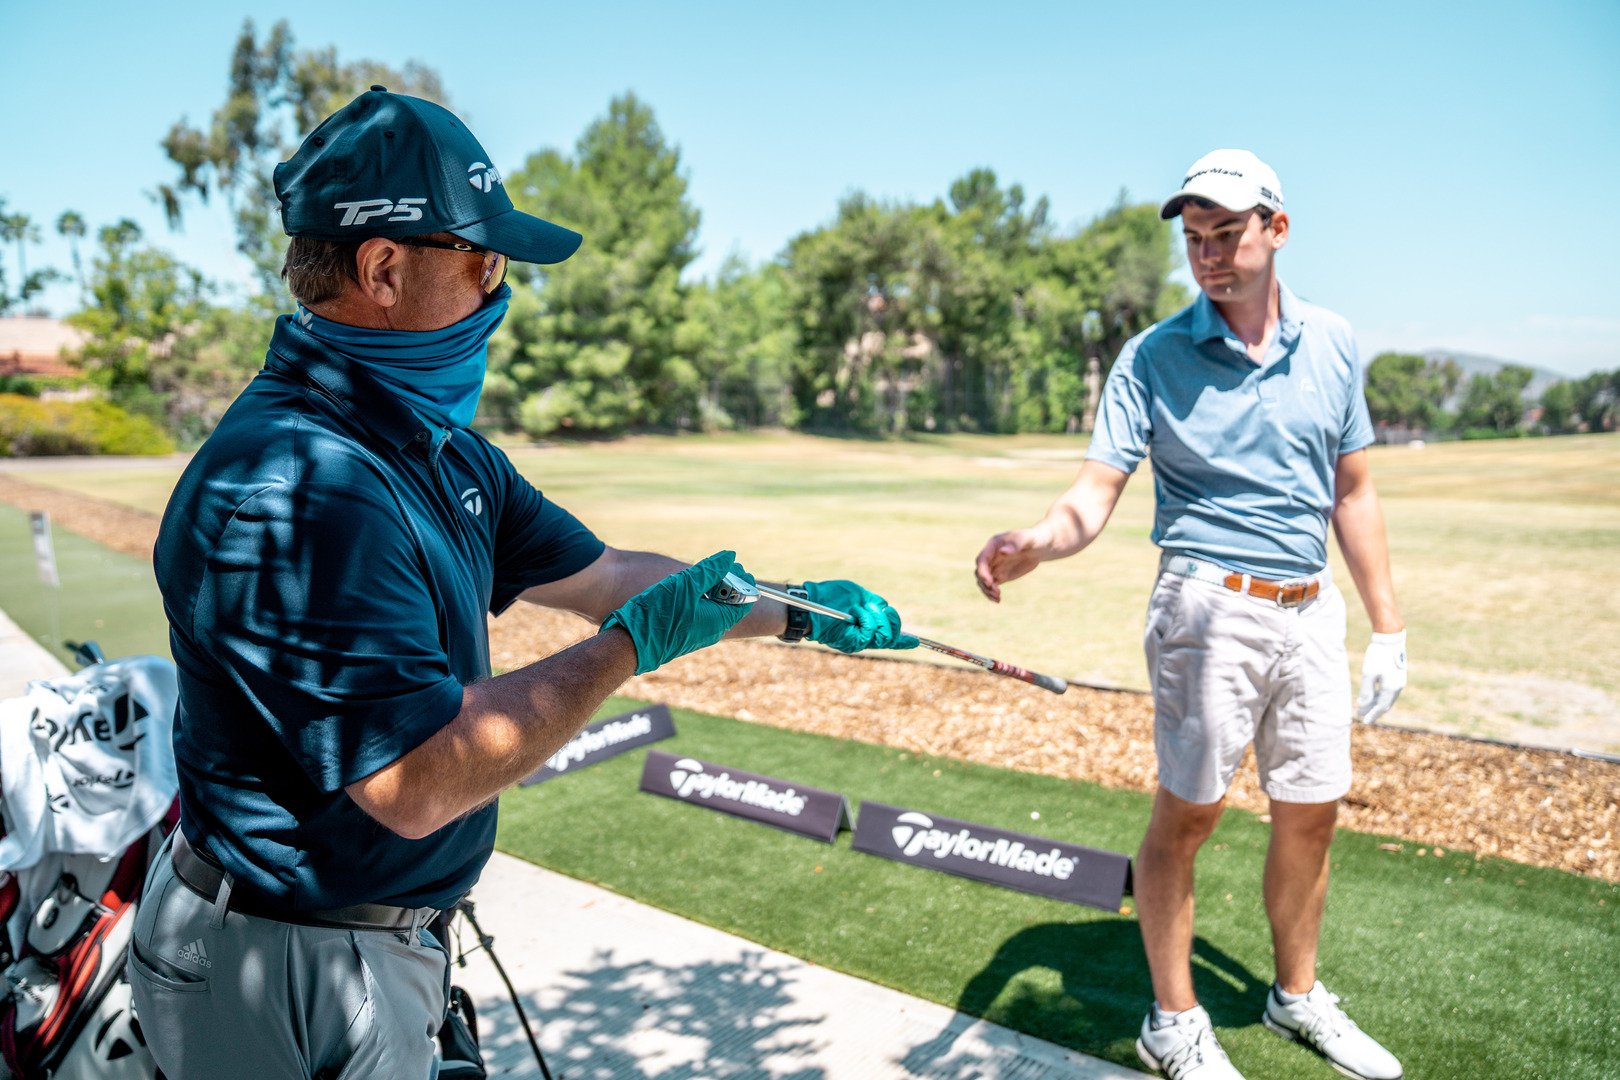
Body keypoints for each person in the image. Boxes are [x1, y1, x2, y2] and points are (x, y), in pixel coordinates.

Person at [129, 86, 916, 1080]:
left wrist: (800, 611)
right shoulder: (297, 484)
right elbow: (415, 781)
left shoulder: (440, 453)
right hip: (282, 959)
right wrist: (627, 650)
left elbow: (610, 574)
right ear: (381, 269)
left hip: (369, 943)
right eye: (484, 262)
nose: (500, 292)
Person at [973, 149, 1406, 1080]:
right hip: (1207, 608)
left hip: (1310, 610)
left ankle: (1296, 999)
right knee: (1190, 815)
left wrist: (1389, 625)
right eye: (1193, 238)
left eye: (1225, 234)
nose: (1206, 254)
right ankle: (1171, 1023)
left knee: (1312, 813)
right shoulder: (1154, 357)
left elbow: (1354, 492)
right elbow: (1094, 495)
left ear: (1275, 229)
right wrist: (1038, 540)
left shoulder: (1331, 342)